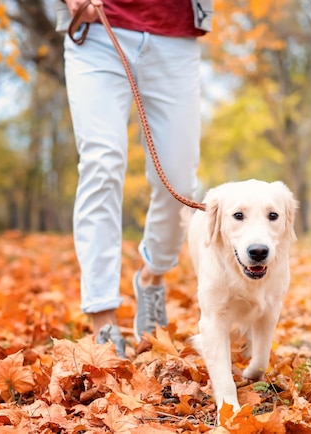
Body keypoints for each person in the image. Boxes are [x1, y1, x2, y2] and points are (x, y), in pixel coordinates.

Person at [56, 0, 212, 358]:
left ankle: (152, 276)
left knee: (179, 183)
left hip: (176, 35)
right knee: (102, 164)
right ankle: (103, 321)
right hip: (98, 27)